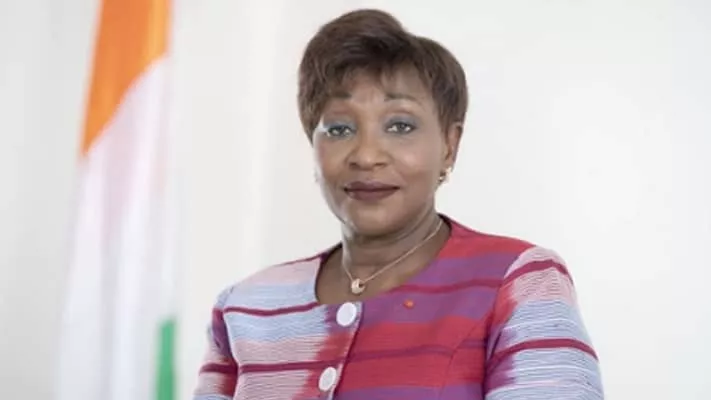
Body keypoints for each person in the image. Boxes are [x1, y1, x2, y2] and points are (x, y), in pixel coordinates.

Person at [193, 8, 603, 400]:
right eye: (339, 129)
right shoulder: (244, 309)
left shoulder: (517, 283)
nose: (366, 155)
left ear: (449, 145)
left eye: (400, 125)